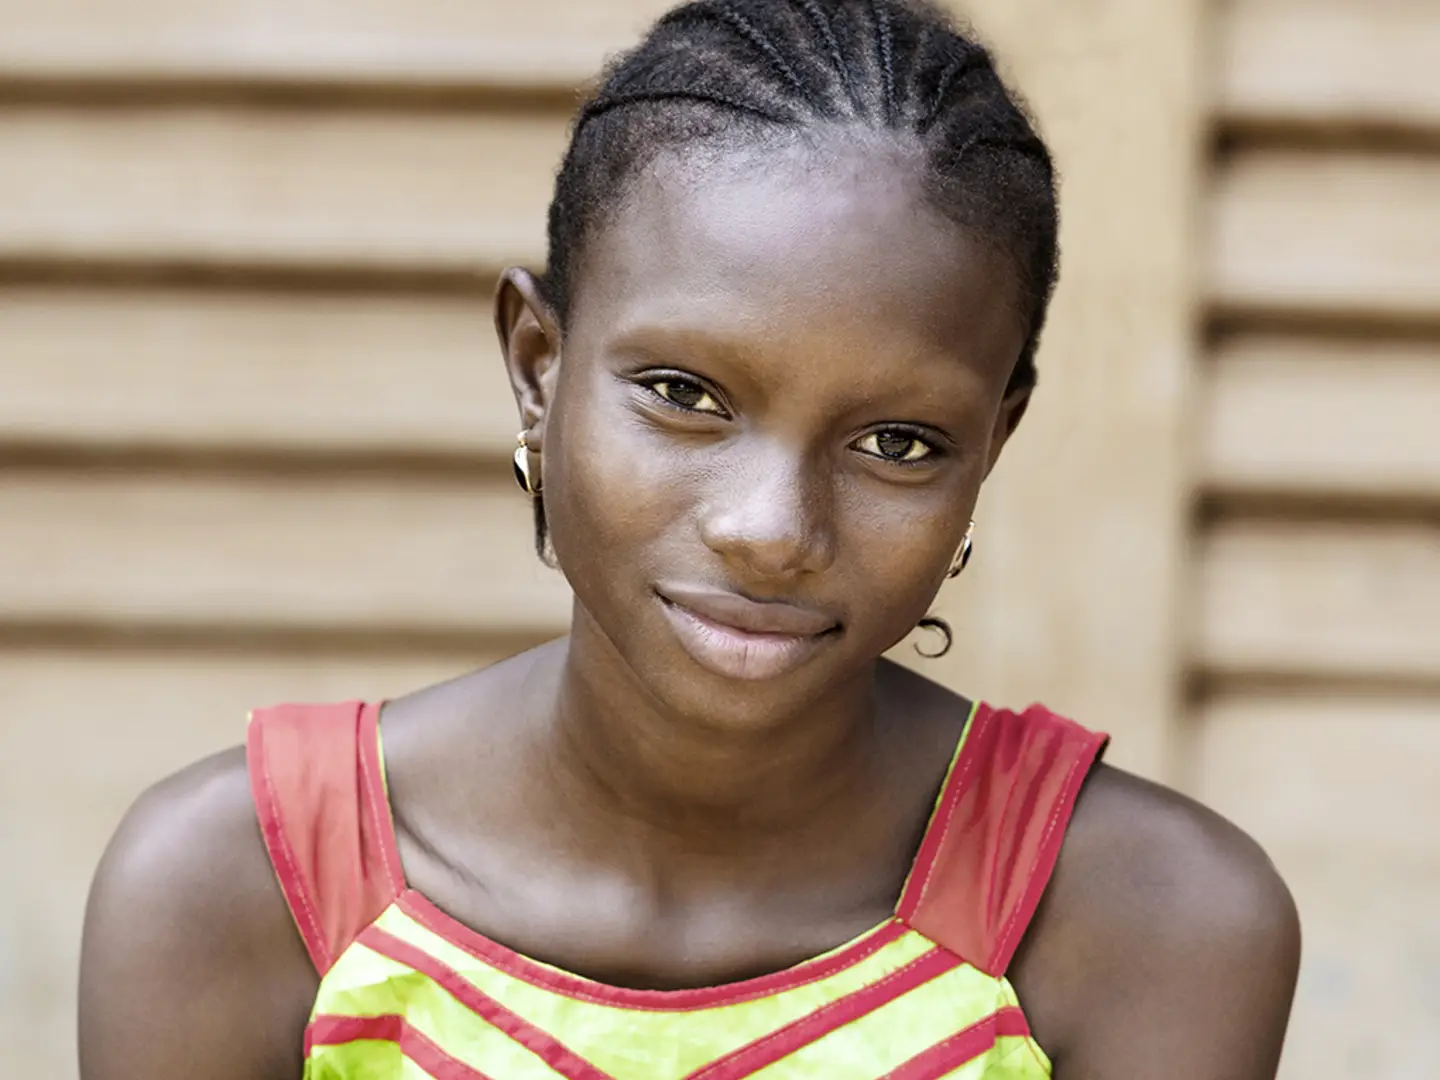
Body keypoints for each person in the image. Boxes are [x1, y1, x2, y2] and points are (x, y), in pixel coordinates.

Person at [78, 2, 1301, 1077]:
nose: (772, 531)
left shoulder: (1143, 921)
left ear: (994, 444)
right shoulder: (243, 887)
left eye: (899, 444)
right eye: (685, 393)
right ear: (536, 368)